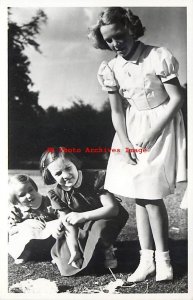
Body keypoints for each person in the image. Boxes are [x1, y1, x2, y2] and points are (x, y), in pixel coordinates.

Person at [89, 7, 186, 282]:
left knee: (150, 193)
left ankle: (164, 259)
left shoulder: (157, 56)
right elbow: (117, 111)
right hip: (130, 130)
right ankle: (147, 260)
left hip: (162, 123)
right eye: (108, 40)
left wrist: (154, 131)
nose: (115, 44)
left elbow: (177, 98)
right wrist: (125, 141)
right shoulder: (111, 68)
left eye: (119, 36)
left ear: (131, 29)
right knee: (139, 195)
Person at [40, 147, 128, 276]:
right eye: (58, 173)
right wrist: (74, 250)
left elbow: (112, 209)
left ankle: (107, 248)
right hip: (83, 222)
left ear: (75, 164)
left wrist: (82, 216)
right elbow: (68, 223)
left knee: (99, 227)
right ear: (51, 176)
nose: (65, 175)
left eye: (68, 168)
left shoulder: (95, 178)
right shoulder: (56, 193)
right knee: (67, 263)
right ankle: (83, 251)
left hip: (107, 217)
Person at [8, 174, 60, 264]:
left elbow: (61, 216)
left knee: (59, 226)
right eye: (22, 195)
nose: (29, 195)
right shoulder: (17, 210)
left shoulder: (48, 201)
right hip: (32, 242)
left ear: (35, 188)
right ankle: (25, 254)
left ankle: (58, 253)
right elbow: (11, 230)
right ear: (16, 200)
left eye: (30, 190)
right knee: (21, 232)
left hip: (50, 239)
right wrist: (25, 223)